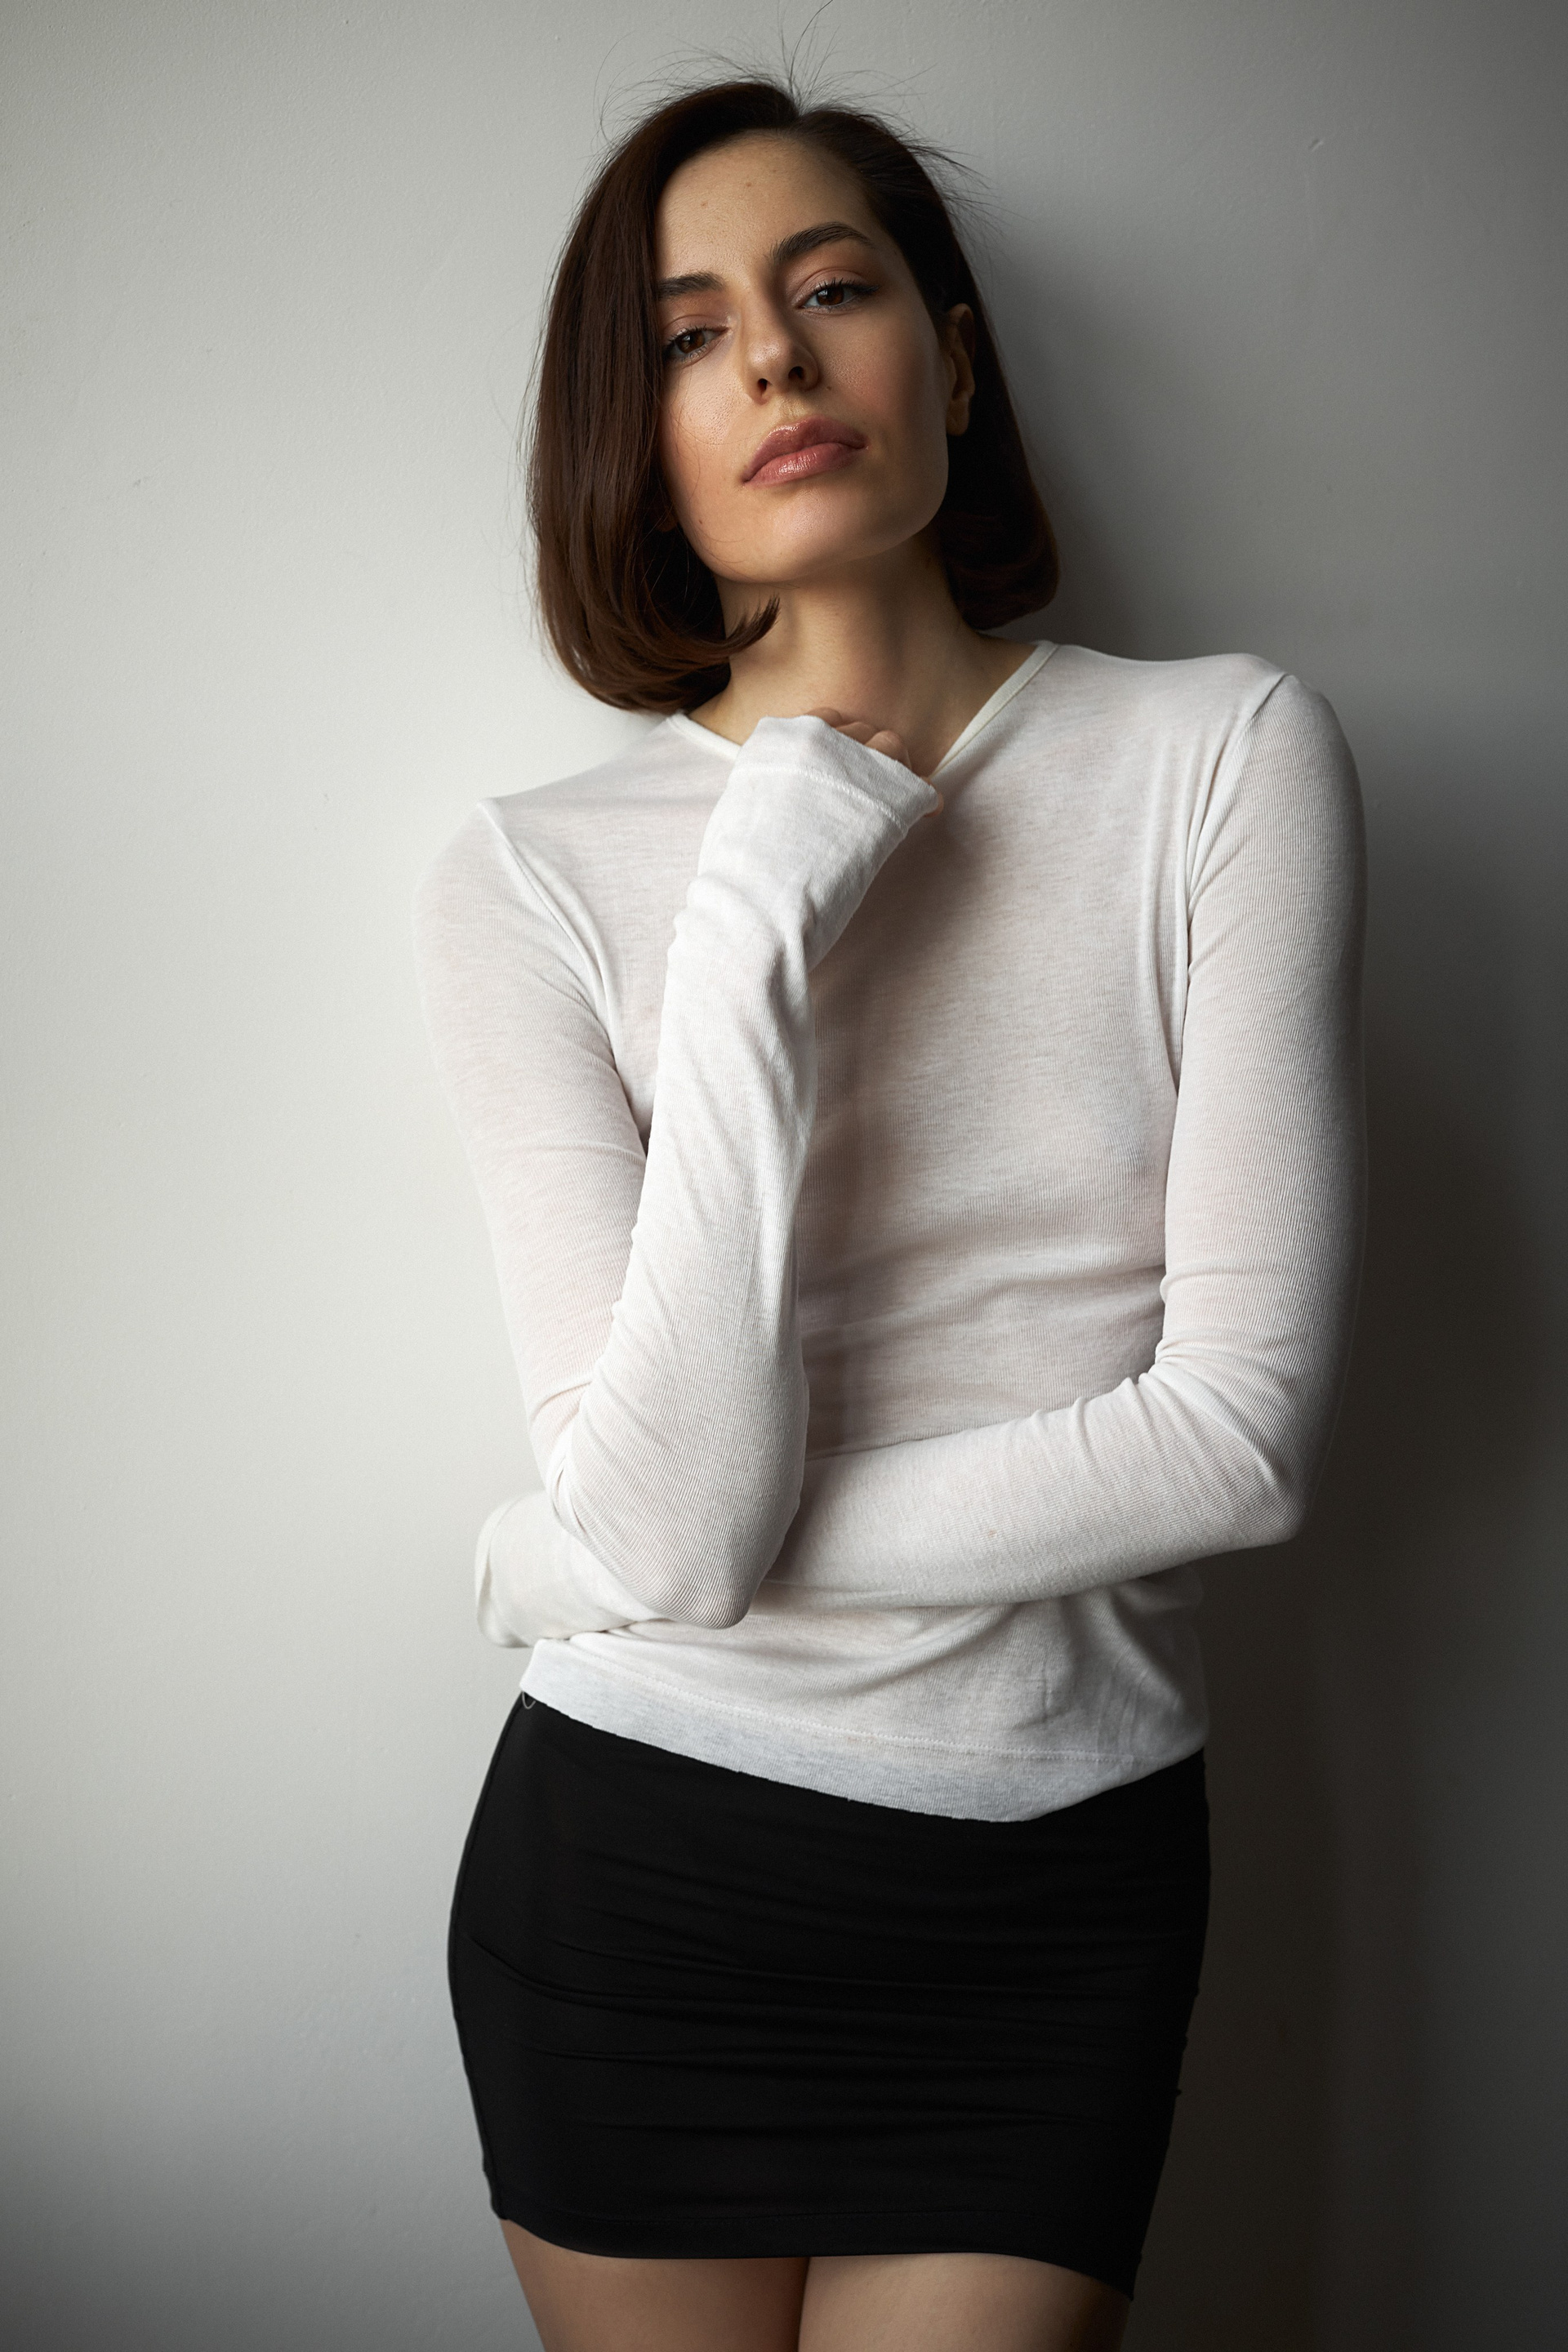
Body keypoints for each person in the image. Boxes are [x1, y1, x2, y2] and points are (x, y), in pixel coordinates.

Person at [412, 71, 1365, 2352]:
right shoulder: (526, 878)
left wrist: (605, 1559)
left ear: (945, 354)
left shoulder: (1221, 758)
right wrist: (756, 906)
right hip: (640, 1869)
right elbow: (664, 1518)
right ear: (636, 436)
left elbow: (1235, 1443)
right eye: (689, 333)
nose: (772, 356)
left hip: (1061, 1887)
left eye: (829, 288)